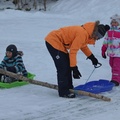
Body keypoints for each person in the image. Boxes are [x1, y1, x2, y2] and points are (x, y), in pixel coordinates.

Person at [45, 20, 110, 98]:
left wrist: (92, 58)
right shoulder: (82, 33)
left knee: (66, 66)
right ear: (95, 32)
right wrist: (74, 67)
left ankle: (68, 88)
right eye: (98, 36)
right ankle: (63, 92)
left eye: (99, 38)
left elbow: (83, 46)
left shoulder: (87, 33)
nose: (97, 39)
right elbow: (73, 51)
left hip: (60, 43)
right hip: (53, 41)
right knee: (63, 67)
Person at [101, 14, 120, 86]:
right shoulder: (109, 32)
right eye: (112, 22)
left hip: (118, 53)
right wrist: (103, 50)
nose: (113, 24)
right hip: (111, 53)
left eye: (115, 22)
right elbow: (106, 41)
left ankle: (115, 80)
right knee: (112, 65)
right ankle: (118, 77)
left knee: (116, 66)